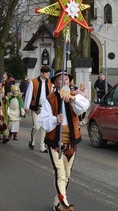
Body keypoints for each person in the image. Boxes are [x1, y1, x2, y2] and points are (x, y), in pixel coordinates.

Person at [39, 70, 90, 211]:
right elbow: (43, 121)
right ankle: (65, 203)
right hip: (56, 141)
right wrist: (55, 119)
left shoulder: (75, 96)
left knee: (67, 175)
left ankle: (57, 202)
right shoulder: (50, 99)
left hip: (72, 140)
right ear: (55, 83)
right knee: (60, 172)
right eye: (61, 80)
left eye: (66, 79)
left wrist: (73, 99)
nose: (64, 82)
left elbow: (84, 107)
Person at [23, 64, 52, 152]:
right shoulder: (34, 82)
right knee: (37, 126)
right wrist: (27, 106)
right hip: (36, 107)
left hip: (46, 108)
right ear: (42, 73)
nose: (48, 75)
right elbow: (29, 93)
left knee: (44, 128)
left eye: (48, 73)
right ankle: (32, 139)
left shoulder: (50, 82)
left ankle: (42, 147)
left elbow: (52, 94)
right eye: (47, 73)